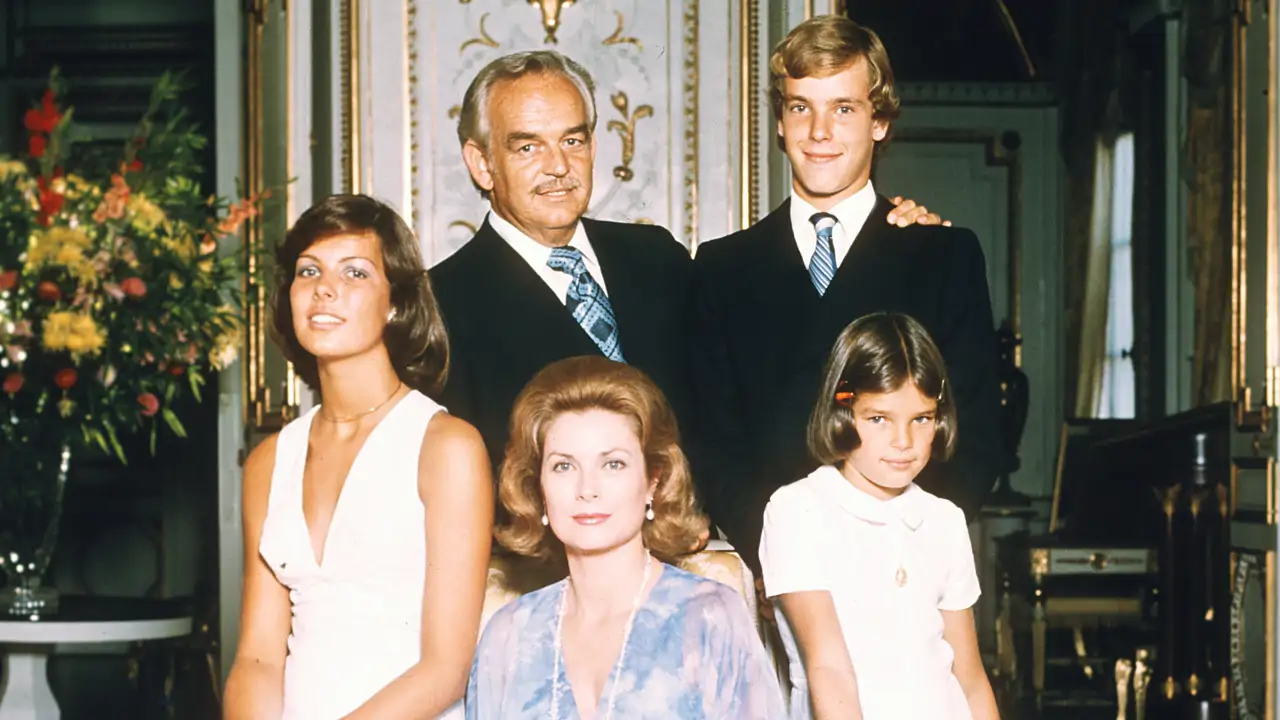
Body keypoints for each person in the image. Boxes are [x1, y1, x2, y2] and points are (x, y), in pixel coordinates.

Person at [429, 49, 941, 473]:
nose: (558, 166)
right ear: (482, 163)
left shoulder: (657, 259)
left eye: (572, 140)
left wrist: (887, 234)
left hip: (698, 550)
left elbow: (768, 377)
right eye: (527, 147)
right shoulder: (441, 303)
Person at [690, 16, 1003, 574]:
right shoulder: (722, 268)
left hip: (904, 573)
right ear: (780, 122)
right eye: (800, 107)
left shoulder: (943, 256)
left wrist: (902, 555)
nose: (819, 132)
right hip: (775, 570)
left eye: (843, 109)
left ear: (879, 121)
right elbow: (715, 446)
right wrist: (785, 561)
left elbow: (975, 436)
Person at [224, 195, 493, 719]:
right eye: (309, 271)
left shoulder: (445, 447)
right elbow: (257, 658)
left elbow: (446, 669)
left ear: (395, 302)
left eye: (355, 272)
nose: (325, 288)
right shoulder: (268, 462)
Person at [466, 356, 786, 719]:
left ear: (653, 481)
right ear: (538, 487)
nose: (587, 488)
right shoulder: (509, 634)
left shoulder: (707, 617)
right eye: (563, 466)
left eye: (613, 464)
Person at [759, 313, 998, 719]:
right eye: (879, 419)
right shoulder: (797, 510)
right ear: (842, 412)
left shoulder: (945, 520)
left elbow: (970, 679)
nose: (903, 441)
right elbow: (830, 670)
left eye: (921, 419)